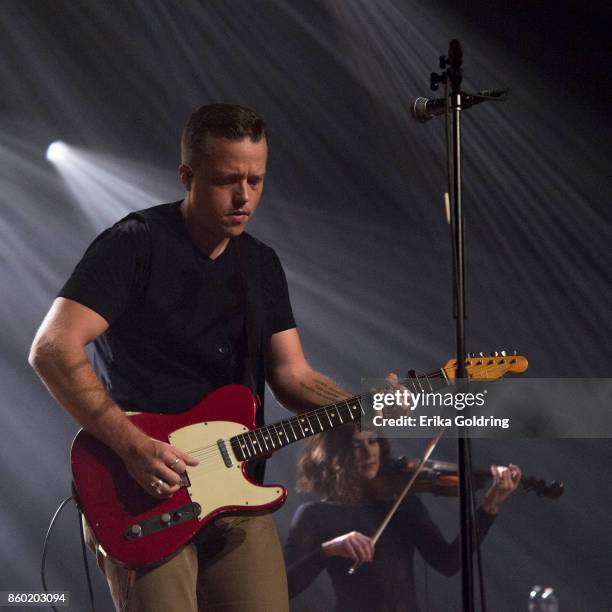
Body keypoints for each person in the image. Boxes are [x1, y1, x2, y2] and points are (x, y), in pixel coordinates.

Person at [29, 103, 354, 612]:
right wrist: (133, 445)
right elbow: (52, 347)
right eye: (228, 179)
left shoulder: (261, 264)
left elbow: (291, 375)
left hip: (237, 489)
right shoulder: (134, 245)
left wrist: (358, 405)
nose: (244, 196)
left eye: (256, 179)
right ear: (187, 175)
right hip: (144, 489)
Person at [285, 425, 522, 612]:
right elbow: (286, 588)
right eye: (356, 446)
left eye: (372, 440)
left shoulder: (402, 504)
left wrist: (490, 505)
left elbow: (448, 563)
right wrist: (329, 549)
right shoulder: (314, 516)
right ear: (335, 456)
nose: (369, 453)